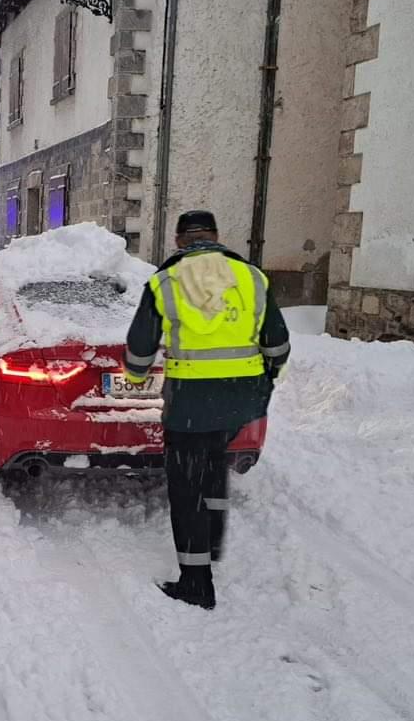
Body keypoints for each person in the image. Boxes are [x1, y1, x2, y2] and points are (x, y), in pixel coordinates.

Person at [123, 210, 290, 610]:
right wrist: (264, 379)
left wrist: (134, 376)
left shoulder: (164, 281)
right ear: (215, 235)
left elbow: (140, 348)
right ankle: (212, 541)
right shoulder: (252, 277)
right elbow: (278, 344)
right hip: (240, 400)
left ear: (180, 240)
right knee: (214, 465)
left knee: (187, 488)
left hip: (189, 403)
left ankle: (197, 582)